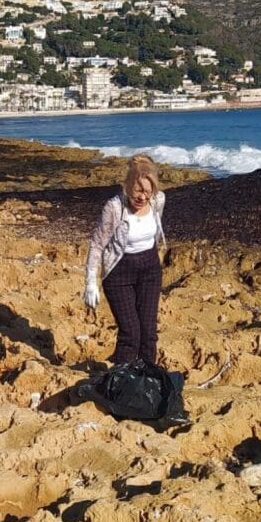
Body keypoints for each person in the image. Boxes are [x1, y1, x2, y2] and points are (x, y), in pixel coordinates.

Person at [83, 154, 167, 365]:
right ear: (128, 186)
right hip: (119, 272)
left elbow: (154, 233)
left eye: (147, 192)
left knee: (148, 333)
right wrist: (90, 283)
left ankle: (147, 378)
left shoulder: (158, 200)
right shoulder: (114, 208)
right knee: (131, 333)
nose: (142, 197)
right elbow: (97, 244)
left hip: (149, 269)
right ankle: (122, 381)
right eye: (138, 190)